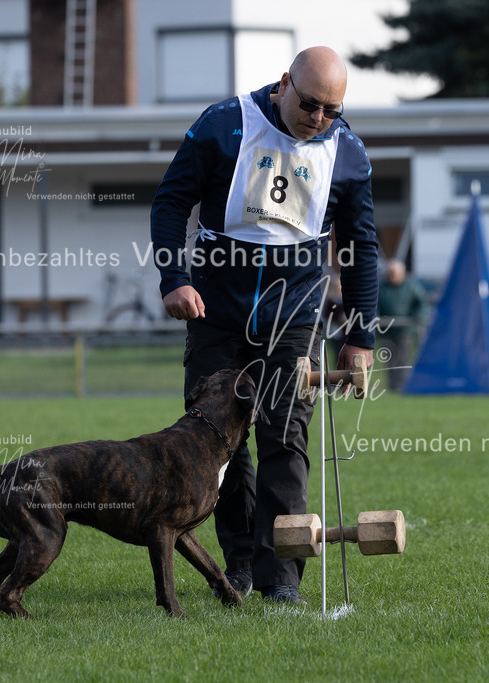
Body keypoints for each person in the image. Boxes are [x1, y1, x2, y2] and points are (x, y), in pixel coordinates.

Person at [150, 47, 379, 604]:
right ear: (283, 84)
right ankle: (240, 564)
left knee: (286, 438)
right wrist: (173, 277)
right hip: (215, 313)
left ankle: (283, 577)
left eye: (333, 109)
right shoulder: (223, 124)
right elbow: (171, 201)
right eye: (310, 104)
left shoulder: (346, 151)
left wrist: (360, 335)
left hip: (294, 318)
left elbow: (361, 245)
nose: (320, 118)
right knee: (214, 444)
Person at [377, 258, 429, 390]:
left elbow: (422, 303)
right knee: (390, 359)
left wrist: (418, 317)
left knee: (403, 359)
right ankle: (393, 386)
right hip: (386, 329)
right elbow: (374, 305)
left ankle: (404, 386)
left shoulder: (411, 287)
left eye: (394, 274)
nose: (392, 277)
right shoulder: (382, 288)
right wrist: (376, 319)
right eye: (390, 274)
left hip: (405, 330)